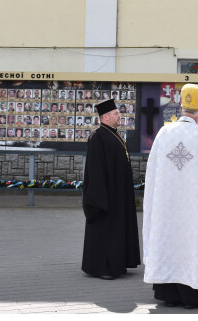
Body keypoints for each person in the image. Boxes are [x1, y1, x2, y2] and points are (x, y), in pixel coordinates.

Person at [143, 84, 198, 309]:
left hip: (167, 207)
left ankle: (169, 295)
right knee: (192, 243)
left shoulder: (164, 133)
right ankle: (194, 297)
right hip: (193, 208)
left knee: (169, 242)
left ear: (181, 109)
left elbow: (152, 171)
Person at [81, 98, 140, 280]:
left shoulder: (114, 134)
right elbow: (95, 170)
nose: (119, 116)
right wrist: (100, 198)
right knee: (106, 231)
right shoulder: (98, 137)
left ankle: (118, 263)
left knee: (117, 230)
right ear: (105, 116)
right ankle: (104, 267)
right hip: (106, 196)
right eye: (116, 113)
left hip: (119, 194)